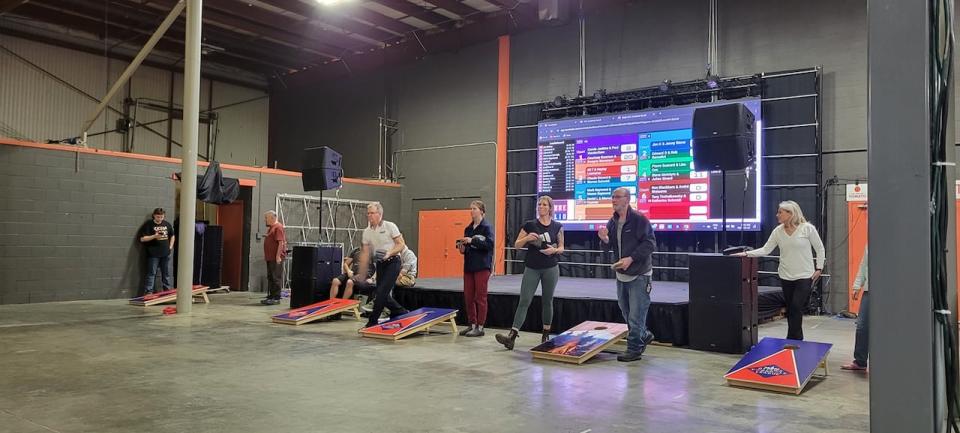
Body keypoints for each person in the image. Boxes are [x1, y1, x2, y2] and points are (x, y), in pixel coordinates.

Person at [735, 200, 825, 340]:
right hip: (785, 275)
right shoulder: (778, 231)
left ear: (790, 214)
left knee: (796, 307)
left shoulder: (807, 228)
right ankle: (796, 338)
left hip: (804, 275)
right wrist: (746, 254)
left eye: (780, 212)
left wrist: (819, 268)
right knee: (791, 309)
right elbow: (766, 250)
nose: (777, 215)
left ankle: (793, 339)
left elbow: (819, 248)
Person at [495, 196, 564, 350]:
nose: (540, 207)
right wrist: (526, 238)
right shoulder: (529, 224)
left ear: (550, 208)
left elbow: (561, 247)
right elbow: (516, 245)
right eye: (539, 204)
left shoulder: (557, 226)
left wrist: (554, 250)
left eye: (544, 205)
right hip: (532, 267)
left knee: (547, 301)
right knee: (524, 300)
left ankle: (546, 334)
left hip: (551, 268)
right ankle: (511, 336)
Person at [598, 187, 657, 362]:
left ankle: (634, 349)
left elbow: (650, 244)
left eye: (617, 197)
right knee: (626, 311)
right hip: (621, 273)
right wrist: (605, 240)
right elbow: (608, 247)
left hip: (640, 274)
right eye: (612, 197)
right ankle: (644, 335)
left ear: (627, 199)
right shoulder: (613, 221)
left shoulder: (639, 219)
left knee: (636, 314)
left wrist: (631, 258)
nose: (613, 200)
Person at [357, 202, 410, 328]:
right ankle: (401, 311)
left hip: (393, 262)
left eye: (372, 213)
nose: (369, 215)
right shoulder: (367, 232)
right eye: (368, 213)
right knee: (382, 294)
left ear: (379, 214)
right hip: (380, 264)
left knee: (381, 292)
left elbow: (401, 244)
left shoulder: (390, 226)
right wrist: (362, 272)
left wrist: (389, 253)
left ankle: (372, 321)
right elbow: (365, 253)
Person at [458, 200, 494, 337]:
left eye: (474, 208)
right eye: (471, 208)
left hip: (482, 266)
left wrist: (472, 240)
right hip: (469, 266)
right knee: (468, 296)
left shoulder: (487, 227)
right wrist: (463, 249)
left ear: (482, 212)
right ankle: (471, 324)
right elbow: (467, 248)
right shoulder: (468, 228)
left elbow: (489, 244)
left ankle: (480, 326)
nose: (471, 211)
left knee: (480, 296)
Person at [842, 246, 869, 371]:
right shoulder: (871, 241)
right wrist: (857, 286)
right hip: (870, 291)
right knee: (862, 326)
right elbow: (864, 264)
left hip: (889, 290)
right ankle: (860, 361)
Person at [139, 208, 175, 295]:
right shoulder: (148, 224)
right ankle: (148, 292)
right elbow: (142, 239)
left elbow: (172, 235)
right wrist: (154, 236)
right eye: (158, 217)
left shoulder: (167, 224)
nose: (160, 219)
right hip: (153, 254)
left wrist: (170, 247)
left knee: (166, 273)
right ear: (154, 215)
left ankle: (167, 291)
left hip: (165, 253)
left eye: (162, 217)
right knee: (151, 273)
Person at [261, 210, 287, 305]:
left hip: (275, 258)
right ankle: (271, 296)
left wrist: (278, 256)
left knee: (276, 277)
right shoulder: (272, 228)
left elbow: (281, 242)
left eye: (266, 218)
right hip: (270, 257)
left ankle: (276, 297)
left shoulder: (278, 227)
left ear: (272, 218)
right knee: (271, 277)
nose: (265, 220)